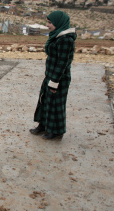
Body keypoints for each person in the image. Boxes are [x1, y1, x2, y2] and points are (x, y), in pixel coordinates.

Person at [30, 11, 76, 140]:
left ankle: (56, 131)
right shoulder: (57, 36)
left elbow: (63, 63)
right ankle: (44, 125)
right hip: (50, 75)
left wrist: (54, 82)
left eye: (50, 22)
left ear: (58, 23)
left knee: (55, 105)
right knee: (45, 101)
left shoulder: (66, 40)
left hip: (58, 78)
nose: (47, 25)